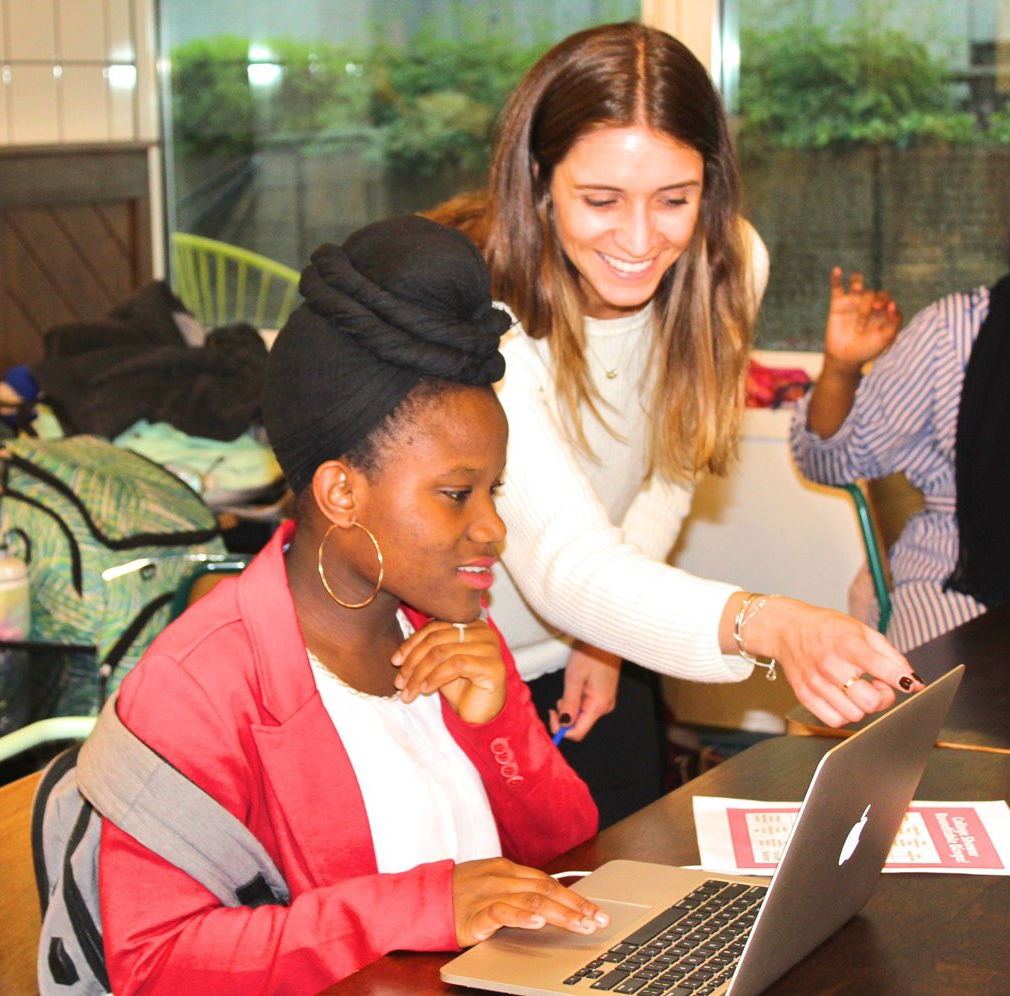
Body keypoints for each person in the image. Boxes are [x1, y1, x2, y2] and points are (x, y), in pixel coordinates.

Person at [427, 21, 924, 826]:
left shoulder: (732, 267)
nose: (637, 240)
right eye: (599, 201)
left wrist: (602, 641)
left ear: (711, 184)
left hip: (591, 644)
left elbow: (671, 469)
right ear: (537, 180)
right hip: (451, 662)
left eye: (674, 200)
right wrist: (771, 623)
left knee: (624, 899)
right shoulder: (478, 309)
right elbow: (561, 563)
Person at [98, 215, 607, 993]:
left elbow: (567, 845)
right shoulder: (199, 688)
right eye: (455, 494)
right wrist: (412, 907)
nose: (494, 528)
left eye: (493, 491)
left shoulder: (449, 630)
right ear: (341, 490)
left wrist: (497, 725)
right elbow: (154, 964)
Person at [791, 266, 1010, 650]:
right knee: (955, 703)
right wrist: (841, 369)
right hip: (957, 574)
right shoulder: (957, 329)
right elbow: (830, 461)